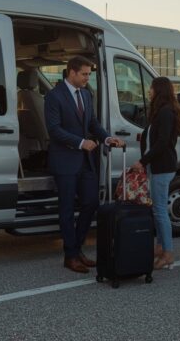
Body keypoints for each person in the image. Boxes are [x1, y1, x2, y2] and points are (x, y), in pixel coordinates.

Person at [45, 56, 125, 273]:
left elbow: (92, 123)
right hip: (65, 162)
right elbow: (54, 129)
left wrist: (107, 138)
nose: (87, 78)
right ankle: (70, 256)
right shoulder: (54, 96)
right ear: (71, 72)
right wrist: (81, 143)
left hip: (86, 162)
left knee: (91, 203)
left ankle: (77, 249)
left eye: (89, 74)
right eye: (84, 74)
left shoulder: (86, 94)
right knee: (67, 210)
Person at [130, 77, 180, 270]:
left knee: (160, 211)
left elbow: (162, 142)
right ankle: (160, 248)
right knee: (157, 210)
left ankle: (168, 254)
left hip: (162, 167)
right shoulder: (161, 111)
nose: (149, 91)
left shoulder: (166, 112)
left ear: (158, 90)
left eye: (151, 88)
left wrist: (142, 161)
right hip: (158, 167)